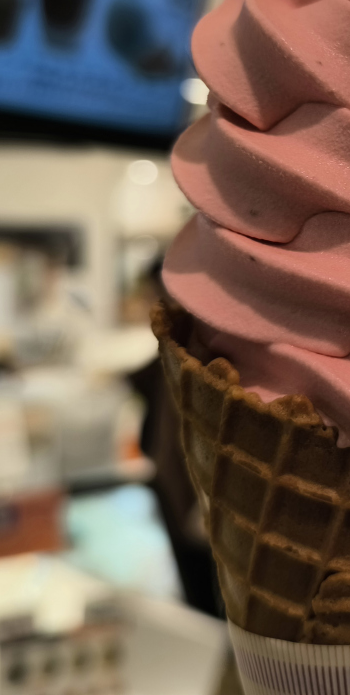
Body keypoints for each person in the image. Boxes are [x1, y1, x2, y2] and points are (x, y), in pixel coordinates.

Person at [126, 257, 222, 618]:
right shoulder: (177, 351)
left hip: (194, 501)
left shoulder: (200, 356)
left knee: (208, 603)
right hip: (176, 492)